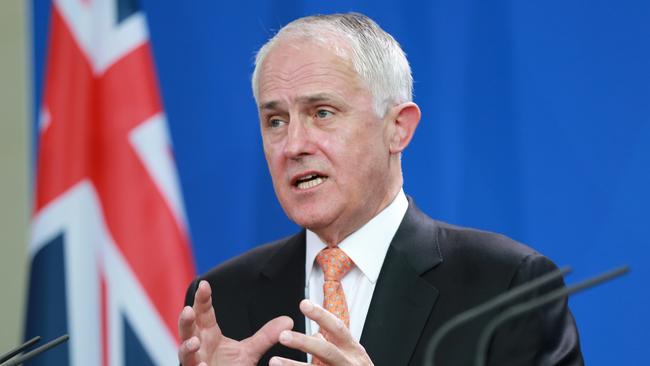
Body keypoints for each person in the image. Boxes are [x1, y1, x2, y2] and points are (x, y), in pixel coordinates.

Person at [177, 13, 583, 366]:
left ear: (398, 129)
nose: (294, 145)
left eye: (322, 113)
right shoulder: (222, 298)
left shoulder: (508, 286)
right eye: (276, 121)